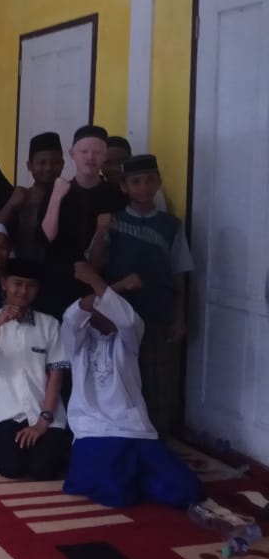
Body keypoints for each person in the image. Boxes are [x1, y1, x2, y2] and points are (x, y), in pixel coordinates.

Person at [62, 263, 203, 507]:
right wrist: (108, 286)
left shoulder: (129, 337)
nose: (104, 312)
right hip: (92, 429)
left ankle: (138, 477)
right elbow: (72, 316)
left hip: (133, 428)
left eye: (109, 306)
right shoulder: (76, 341)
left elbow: (126, 321)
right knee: (114, 493)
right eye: (98, 306)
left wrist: (94, 279)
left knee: (187, 489)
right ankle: (135, 478)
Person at [88, 154, 193, 436]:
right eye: (135, 182)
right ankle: (125, 437)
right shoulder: (112, 222)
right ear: (124, 187)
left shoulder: (172, 226)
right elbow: (94, 265)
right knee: (122, 378)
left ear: (158, 183)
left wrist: (180, 318)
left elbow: (179, 274)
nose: (143, 187)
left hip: (159, 313)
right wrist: (100, 233)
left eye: (149, 180)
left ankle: (158, 439)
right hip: (120, 316)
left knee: (159, 380)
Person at [0, 259, 72, 480]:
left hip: (45, 413)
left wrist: (43, 421)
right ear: (4, 283)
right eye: (17, 284)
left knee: (43, 469)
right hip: (8, 414)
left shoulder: (49, 324)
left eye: (30, 285)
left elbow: (56, 375)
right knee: (10, 468)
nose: (23, 291)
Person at [40, 125, 127, 316]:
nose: (90, 157)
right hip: (59, 280)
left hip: (102, 281)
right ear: (72, 154)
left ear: (105, 155)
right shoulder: (58, 190)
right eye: (84, 151)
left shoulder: (116, 195)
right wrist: (56, 197)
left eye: (97, 152)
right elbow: (47, 235)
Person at [0, 132, 64, 266]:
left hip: (60, 272)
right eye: (42, 162)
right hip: (23, 272)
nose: (49, 168)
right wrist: (10, 205)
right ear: (29, 165)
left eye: (55, 162)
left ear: (63, 164)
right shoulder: (20, 198)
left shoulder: (70, 196)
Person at [102, 136, 168, 212]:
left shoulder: (152, 194)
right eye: (107, 163)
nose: (115, 168)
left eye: (121, 161)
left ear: (130, 158)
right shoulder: (96, 192)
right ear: (99, 163)